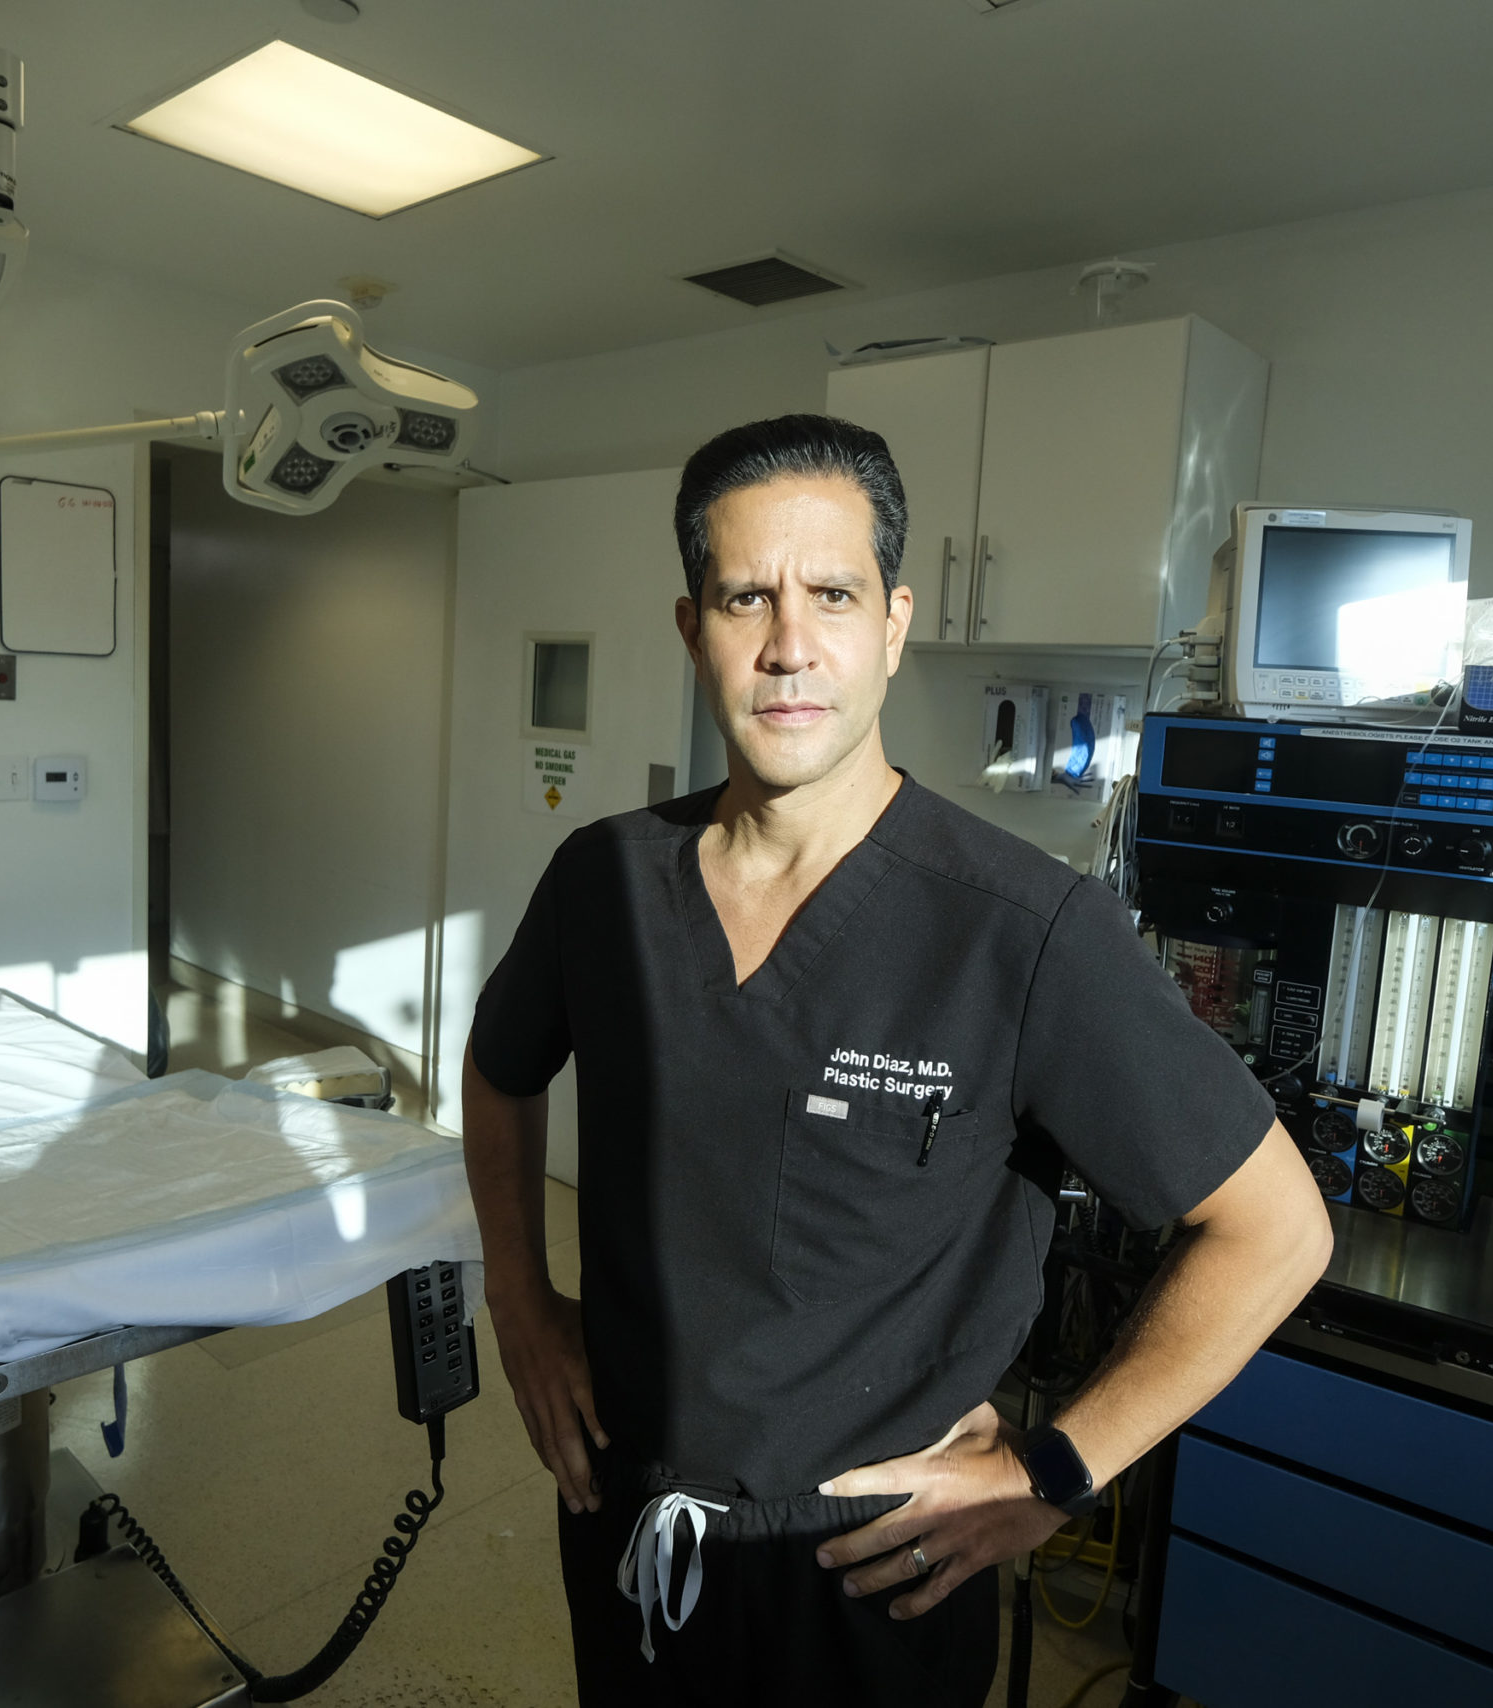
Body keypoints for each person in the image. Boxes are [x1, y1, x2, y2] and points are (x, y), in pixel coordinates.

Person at [462, 414, 1332, 1705]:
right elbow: (500, 1069)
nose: (789, 644)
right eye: (745, 597)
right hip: (626, 1523)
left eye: (832, 594)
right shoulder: (605, 881)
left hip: (874, 1572)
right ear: (693, 627)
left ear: (894, 623)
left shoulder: (1023, 930)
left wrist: (1054, 1470)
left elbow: (1276, 1229)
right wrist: (521, 1304)